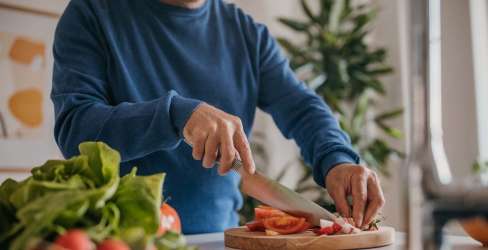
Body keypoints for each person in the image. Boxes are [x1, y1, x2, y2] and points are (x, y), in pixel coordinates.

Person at [51, 0, 385, 234]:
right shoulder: (92, 13)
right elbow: (75, 128)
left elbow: (302, 107)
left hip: (219, 238)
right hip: (120, 241)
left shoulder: (247, 34)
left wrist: (338, 160)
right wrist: (175, 115)